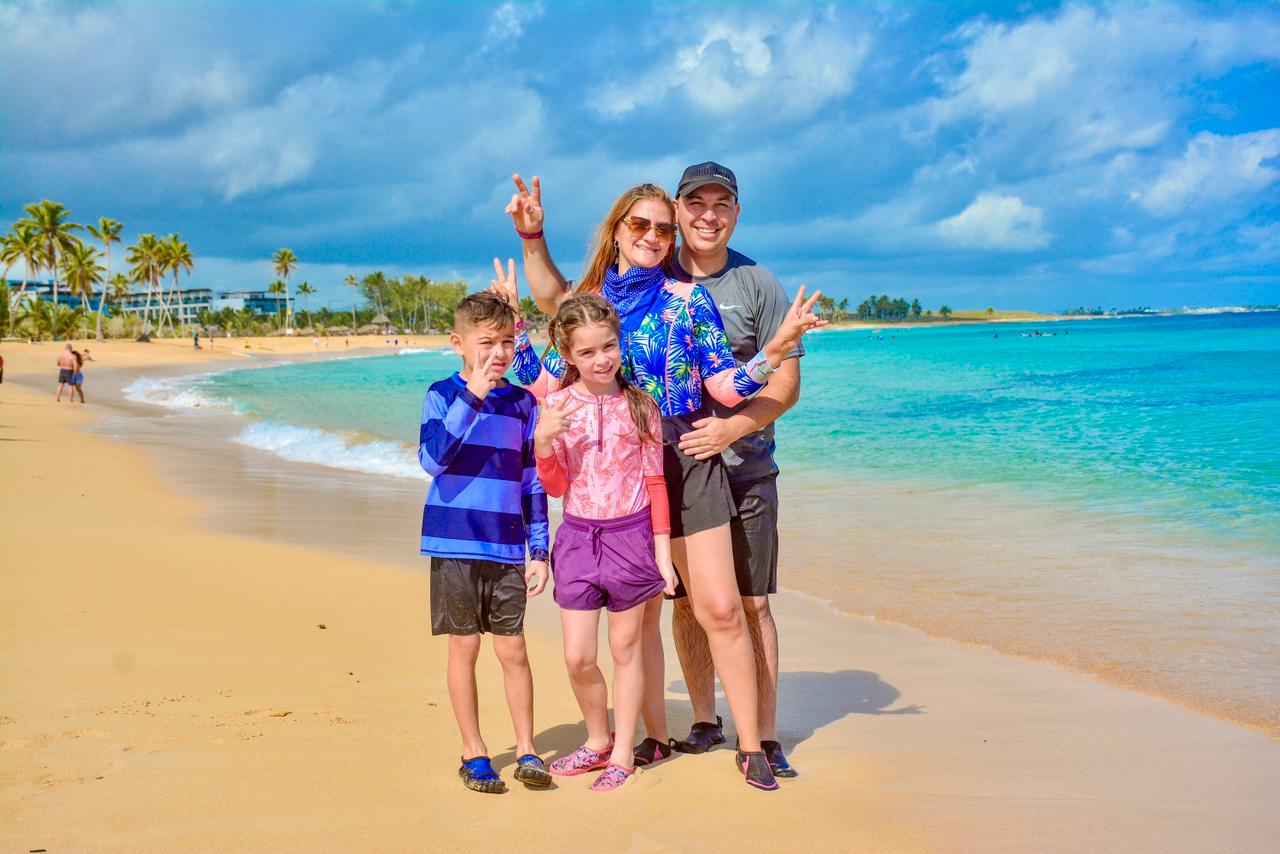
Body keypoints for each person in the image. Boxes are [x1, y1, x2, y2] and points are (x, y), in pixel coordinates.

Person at [507, 184, 822, 791]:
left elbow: (729, 388)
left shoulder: (688, 300)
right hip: (623, 467)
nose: (653, 237)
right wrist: (514, 325)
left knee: (721, 609)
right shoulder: (592, 304)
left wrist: (776, 348)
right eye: (640, 226)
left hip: (688, 452)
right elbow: (545, 381)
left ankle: (753, 745)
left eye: (661, 229)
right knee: (644, 619)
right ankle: (648, 738)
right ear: (617, 230)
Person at [416, 292, 553, 795]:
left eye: (507, 343)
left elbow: (531, 481)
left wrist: (539, 551)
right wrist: (472, 395)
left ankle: (527, 749)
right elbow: (432, 461)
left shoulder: (522, 403)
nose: (498, 353)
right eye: (486, 343)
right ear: (459, 344)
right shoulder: (440, 394)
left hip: (506, 547)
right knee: (465, 647)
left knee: (513, 649)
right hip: (453, 544)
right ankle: (473, 751)